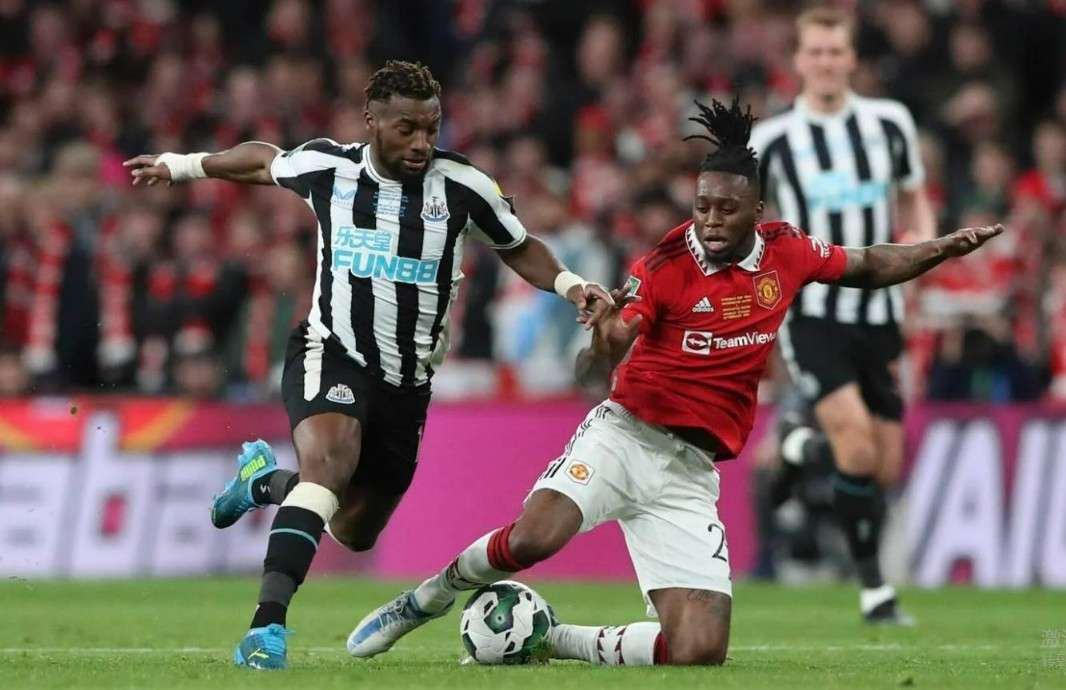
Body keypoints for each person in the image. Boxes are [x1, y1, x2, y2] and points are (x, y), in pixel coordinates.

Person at [347, 98, 1002, 666]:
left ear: (756, 210)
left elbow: (867, 264)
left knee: (699, 649)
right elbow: (606, 354)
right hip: (626, 436)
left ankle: (552, 638)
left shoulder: (787, 252)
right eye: (702, 206)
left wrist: (939, 249)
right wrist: (604, 341)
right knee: (533, 538)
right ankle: (427, 598)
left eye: (725, 209)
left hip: (690, 471)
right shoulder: (663, 266)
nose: (709, 220)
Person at [124, 60, 613, 670]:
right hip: (332, 351)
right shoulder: (328, 168)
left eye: (431, 128)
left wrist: (572, 286)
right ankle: (266, 628)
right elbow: (262, 161)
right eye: (407, 128)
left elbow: (520, 246)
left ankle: (263, 483)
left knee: (354, 530)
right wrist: (182, 165)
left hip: (407, 385)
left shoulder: (463, 187)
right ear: (372, 122)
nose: (421, 143)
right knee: (328, 467)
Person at [748, 7, 937, 623]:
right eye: (816, 52)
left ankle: (796, 447)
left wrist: (920, 249)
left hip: (881, 313)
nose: (826, 62)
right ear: (798, 60)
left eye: (836, 51)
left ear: (852, 58)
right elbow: (748, 223)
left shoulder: (889, 123)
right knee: (855, 449)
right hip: (814, 312)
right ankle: (876, 592)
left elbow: (913, 199)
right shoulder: (772, 141)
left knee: (884, 465)